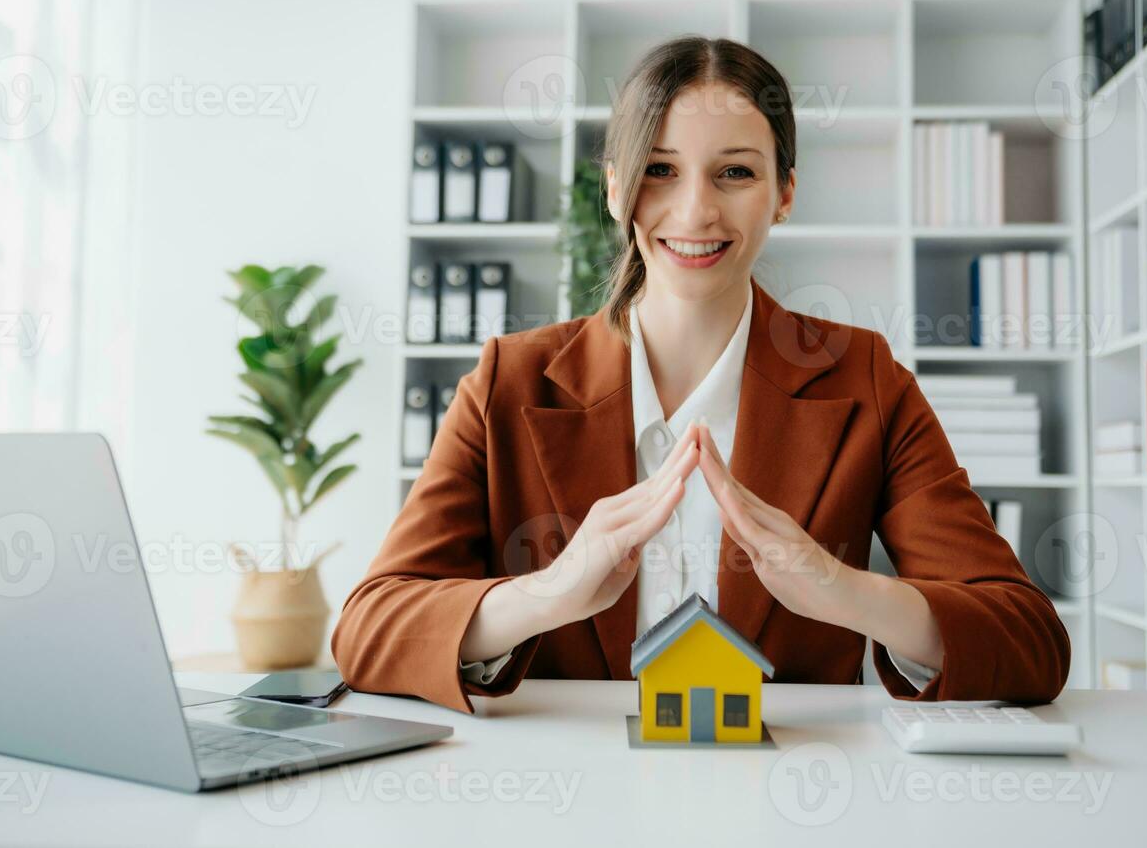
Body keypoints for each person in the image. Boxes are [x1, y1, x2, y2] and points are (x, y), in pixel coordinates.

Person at [333, 36, 1070, 714]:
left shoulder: (864, 378)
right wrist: (546, 594)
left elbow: (1030, 644)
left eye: (736, 173)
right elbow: (368, 630)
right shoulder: (508, 382)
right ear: (617, 190)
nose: (695, 210)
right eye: (660, 170)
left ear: (783, 192)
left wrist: (842, 590)